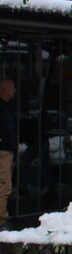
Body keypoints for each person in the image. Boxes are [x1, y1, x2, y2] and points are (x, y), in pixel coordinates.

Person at [0, 78, 16, 230]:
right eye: (12, 88)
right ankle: (1, 219)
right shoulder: (3, 108)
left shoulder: (6, 107)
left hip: (6, 149)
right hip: (3, 150)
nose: (14, 91)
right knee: (4, 185)